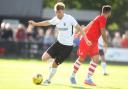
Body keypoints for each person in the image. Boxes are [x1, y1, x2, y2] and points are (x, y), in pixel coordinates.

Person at [28, 2, 91, 84]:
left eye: (59, 12)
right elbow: (47, 22)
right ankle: (51, 63)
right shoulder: (56, 19)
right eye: (56, 12)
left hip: (67, 47)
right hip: (58, 43)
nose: (58, 14)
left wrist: (86, 39)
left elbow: (80, 29)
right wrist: (36, 24)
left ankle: (48, 80)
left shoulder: (69, 18)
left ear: (63, 11)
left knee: (55, 64)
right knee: (44, 58)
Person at [70, 5, 111, 86]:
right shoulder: (102, 18)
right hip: (86, 40)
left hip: (94, 42)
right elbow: (103, 32)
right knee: (81, 59)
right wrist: (106, 42)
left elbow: (89, 25)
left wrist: (78, 34)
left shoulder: (98, 17)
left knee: (96, 59)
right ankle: (72, 76)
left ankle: (88, 78)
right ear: (109, 13)